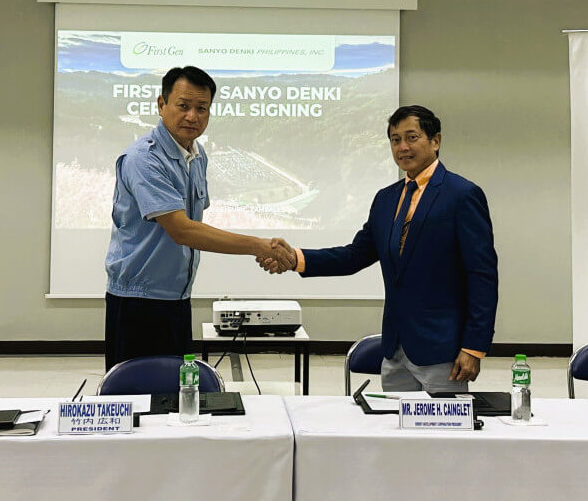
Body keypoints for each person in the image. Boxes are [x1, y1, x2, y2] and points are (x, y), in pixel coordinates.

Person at [261, 105, 498, 393]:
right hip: (395, 350)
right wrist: (295, 258)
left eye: (412, 137)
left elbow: (482, 276)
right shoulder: (386, 199)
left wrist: (474, 347)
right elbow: (354, 256)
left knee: (440, 436)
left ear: (435, 141)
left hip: (442, 350)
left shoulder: (462, 195)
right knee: (394, 434)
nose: (403, 147)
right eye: (395, 139)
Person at [105, 66, 293, 369]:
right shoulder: (144, 159)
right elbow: (183, 231)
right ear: (161, 104)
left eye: (202, 108)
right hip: (139, 304)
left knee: (177, 399)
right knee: (137, 400)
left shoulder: (197, 155)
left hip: (177, 299)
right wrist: (259, 246)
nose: (192, 116)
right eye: (183, 106)